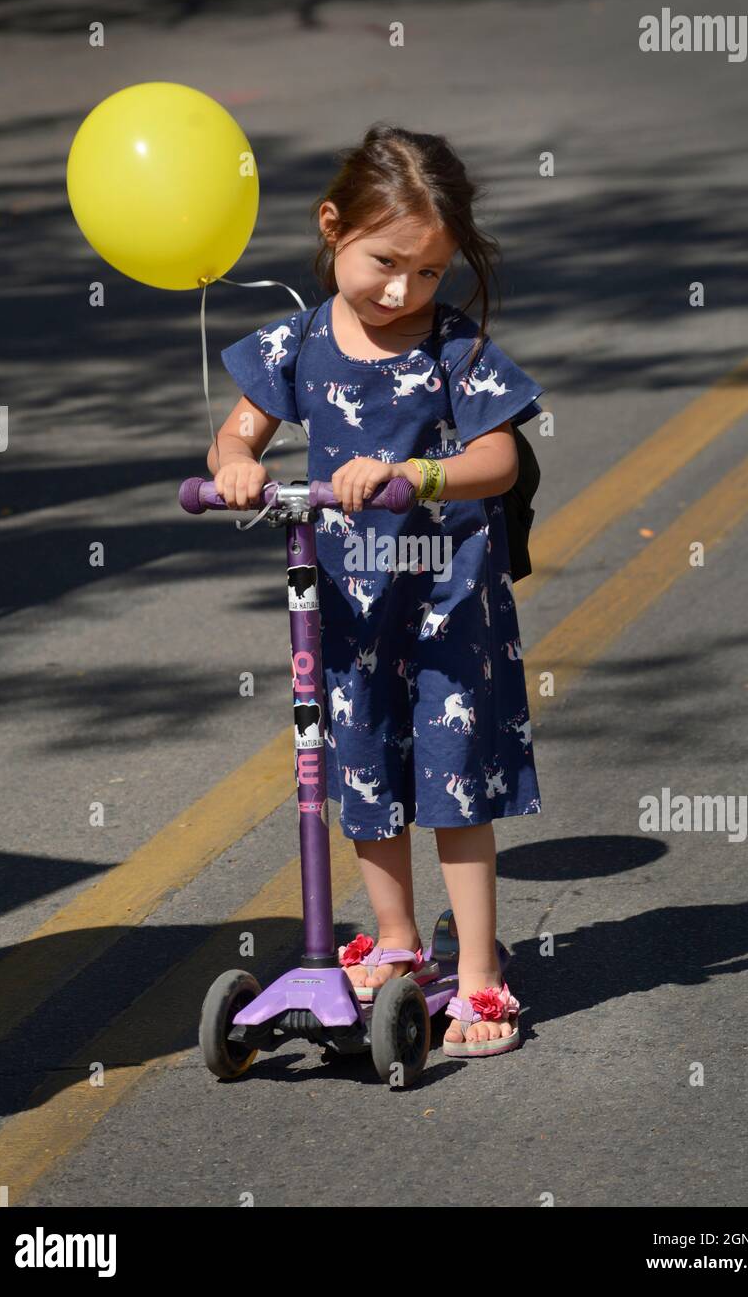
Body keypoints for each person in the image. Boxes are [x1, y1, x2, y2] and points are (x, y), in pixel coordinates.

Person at [209, 123, 545, 1057]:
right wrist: (237, 464)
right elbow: (234, 435)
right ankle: (396, 945)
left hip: (447, 605)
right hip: (347, 609)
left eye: (430, 273)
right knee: (360, 774)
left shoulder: (452, 346)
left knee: (454, 782)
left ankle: (477, 974)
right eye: (386, 262)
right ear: (332, 229)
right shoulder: (298, 339)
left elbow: (498, 457)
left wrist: (420, 476)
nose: (403, 291)